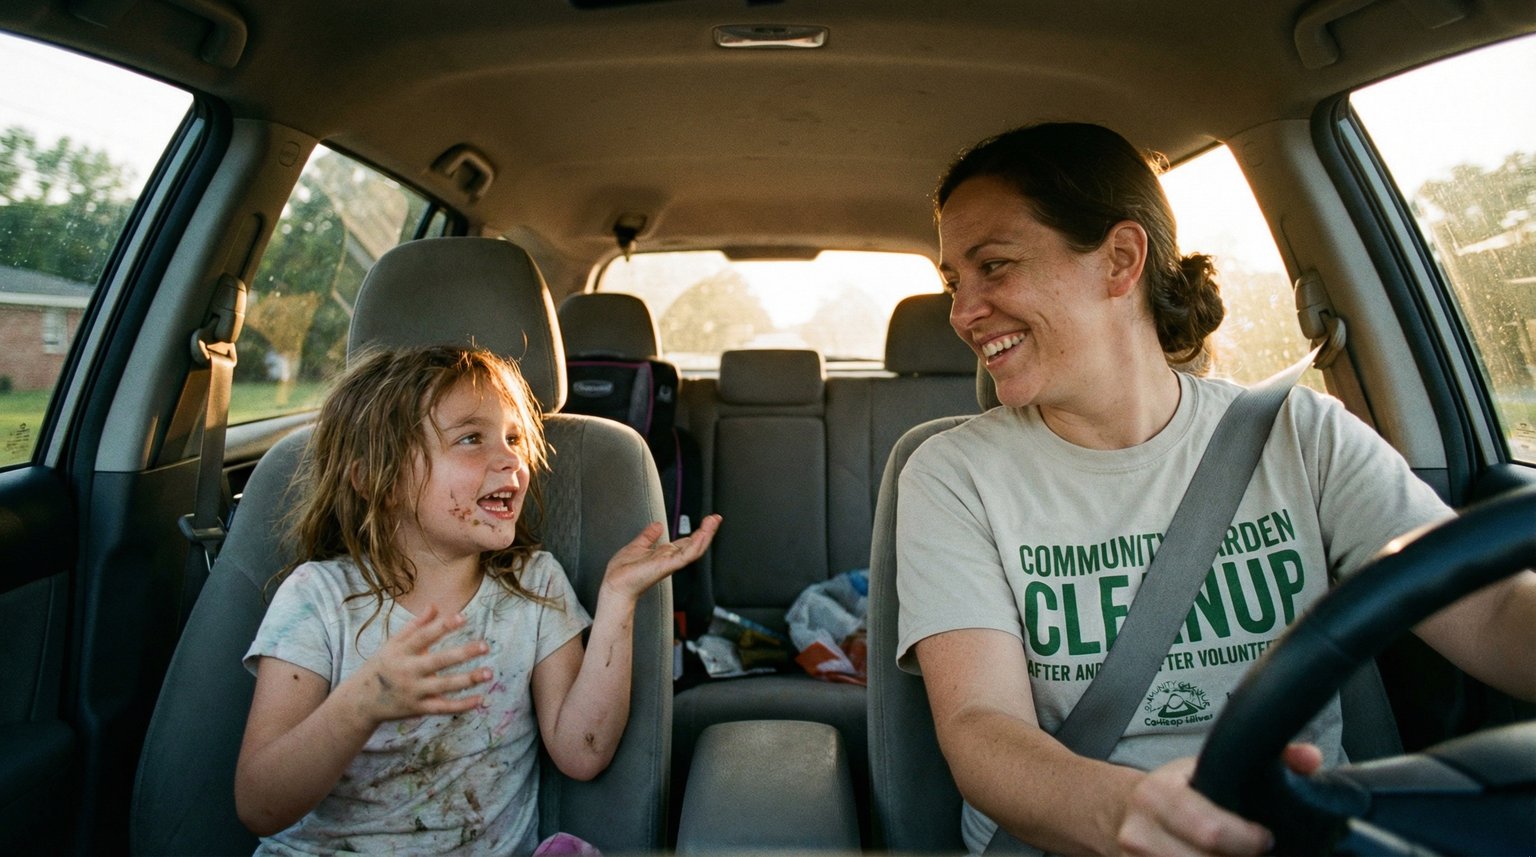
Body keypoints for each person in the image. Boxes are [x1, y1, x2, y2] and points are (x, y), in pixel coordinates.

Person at [895, 122, 1536, 857]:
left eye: (995, 267)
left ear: (1120, 259)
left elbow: (1486, 610)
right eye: (955, 281)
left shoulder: (1302, 434)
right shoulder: (954, 474)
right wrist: (1129, 813)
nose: (961, 311)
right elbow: (981, 723)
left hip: (1303, 830)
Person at [234, 344, 721, 855]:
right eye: (471, 439)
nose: (511, 457)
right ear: (376, 480)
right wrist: (364, 702)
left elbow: (582, 752)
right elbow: (261, 805)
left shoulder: (533, 586)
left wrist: (618, 599)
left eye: (514, 438)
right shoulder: (320, 598)